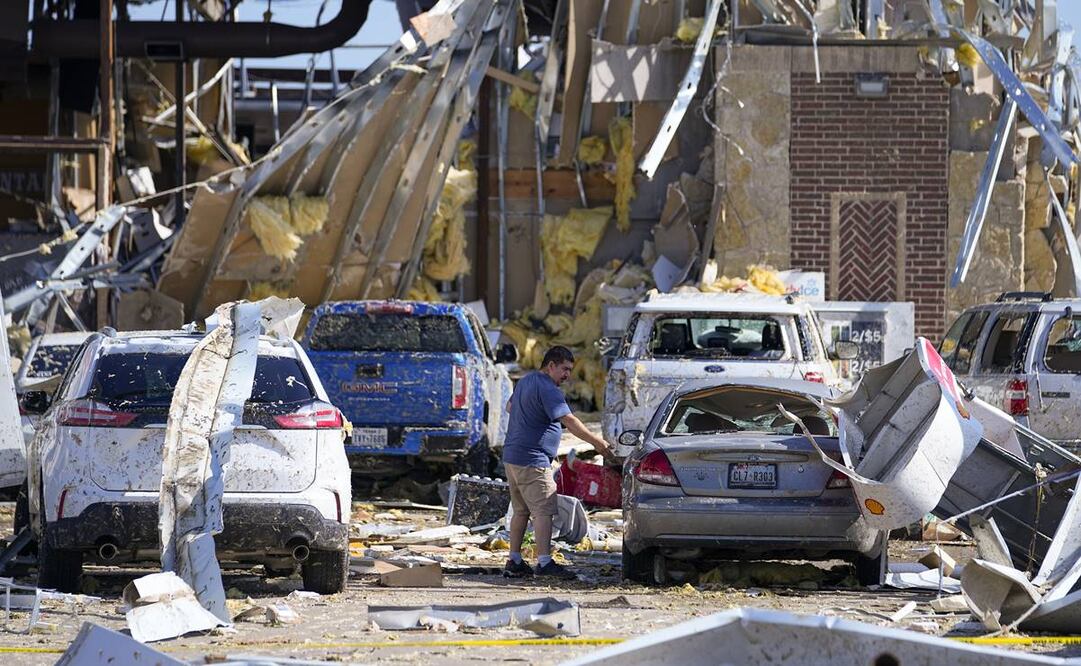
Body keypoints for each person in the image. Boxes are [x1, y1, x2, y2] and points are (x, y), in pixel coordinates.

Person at [501, 345, 616, 579]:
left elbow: (510, 406)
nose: (567, 375)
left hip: (512, 456)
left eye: (570, 370)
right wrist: (598, 443)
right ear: (550, 365)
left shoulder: (526, 380)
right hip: (533, 459)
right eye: (564, 369)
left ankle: (514, 560)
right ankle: (544, 563)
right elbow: (569, 420)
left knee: (521, 511)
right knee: (544, 511)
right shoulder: (548, 388)